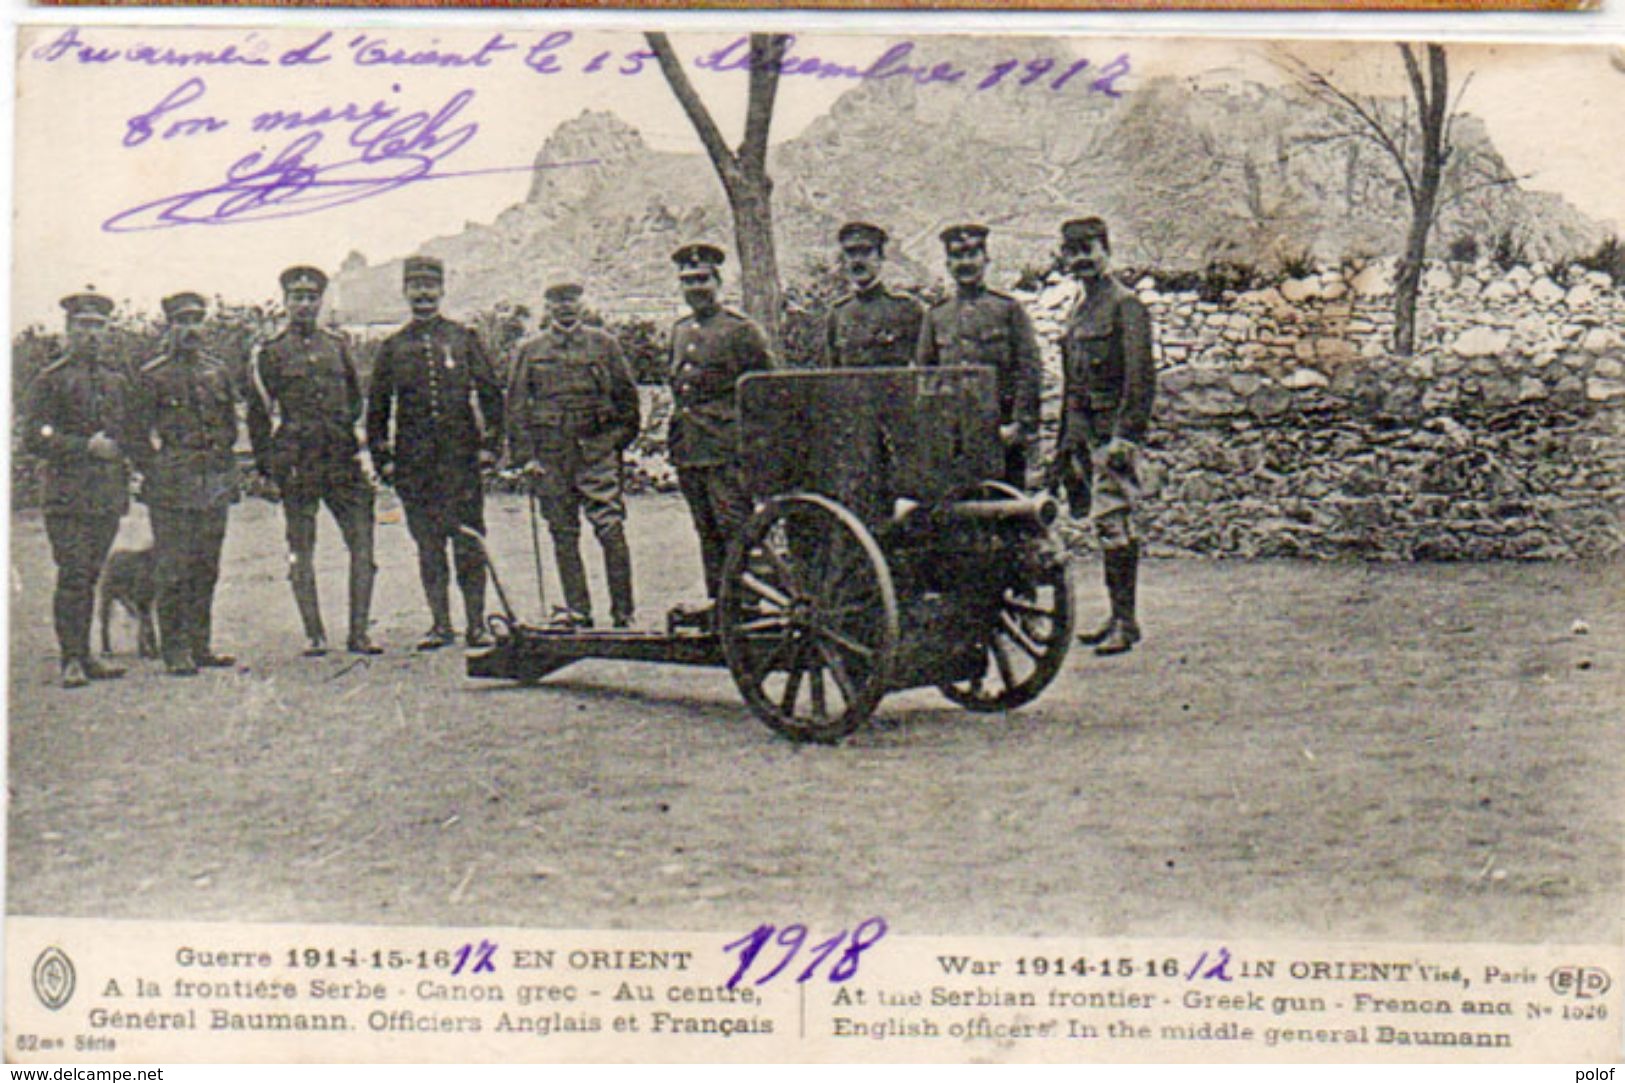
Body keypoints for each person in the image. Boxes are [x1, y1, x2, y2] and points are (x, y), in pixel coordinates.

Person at [366, 256, 505, 649]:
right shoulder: (393, 347)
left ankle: (476, 623)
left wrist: (491, 447)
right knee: (428, 544)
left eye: (430, 285)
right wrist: (385, 459)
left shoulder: (463, 338)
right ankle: (441, 624)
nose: (423, 294)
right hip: (415, 466)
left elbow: (491, 393)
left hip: (460, 462)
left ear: (442, 290)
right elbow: (377, 408)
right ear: (405, 292)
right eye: (416, 286)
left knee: (468, 541)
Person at [247, 266, 382, 656]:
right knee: (300, 550)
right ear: (286, 302)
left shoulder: (337, 346)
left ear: (320, 301)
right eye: (297, 298)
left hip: (341, 459)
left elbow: (355, 400)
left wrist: (345, 437)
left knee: (362, 546)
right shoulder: (270, 353)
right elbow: (259, 416)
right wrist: (268, 470)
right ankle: (315, 635)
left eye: (311, 298)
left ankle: (359, 633)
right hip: (298, 463)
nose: (304, 305)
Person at [1051, 217, 1156, 656]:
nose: (1081, 260)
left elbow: (1140, 377)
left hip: (1111, 435)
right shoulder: (1079, 309)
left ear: (1106, 251)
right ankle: (1117, 618)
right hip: (1084, 433)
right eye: (1073, 252)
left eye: (1088, 250)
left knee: (1114, 522)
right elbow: (1072, 385)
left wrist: (1126, 437)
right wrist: (1064, 444)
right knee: (1104, 523)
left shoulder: (1125, 305)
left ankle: (1125, 622)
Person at [508, 283, 640, 629]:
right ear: (547, 307)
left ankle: (623, 612)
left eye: (571, 300)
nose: (565, 307)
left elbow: (628, 402)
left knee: (610, 527)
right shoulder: (530, 350)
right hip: (551, 457)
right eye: (557, 301)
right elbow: (517, 407)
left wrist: (613, 444)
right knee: (563, 533)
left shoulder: (604, 345)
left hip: (595, 452)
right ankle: (579, 610)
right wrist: (527, 458)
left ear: (582, 304)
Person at [23, 289, 137, 688]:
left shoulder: (116, 380)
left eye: (98, 326)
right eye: (84, 326)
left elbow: (126, 432)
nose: (91, 334)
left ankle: (87, 654)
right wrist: (84, 446)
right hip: (67, 496)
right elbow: (34, 438)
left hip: (105, 494)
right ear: (69, 330)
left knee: (90, 573)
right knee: (72, 574)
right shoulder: (50, 380)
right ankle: (71, 658)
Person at [130, 292, 240, 676]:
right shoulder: (152, 375)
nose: (190, 329)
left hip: (212, 481)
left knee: (206, 567)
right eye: (182, 321)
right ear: (170, 327)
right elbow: (135, 434)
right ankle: (174, 649)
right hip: (172, 485)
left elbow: (228, 424)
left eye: (196, 321)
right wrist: (157, 469)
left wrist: (226, 472)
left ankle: (200, 645)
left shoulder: (216, 371)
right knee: (173, 568)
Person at [666, 243, 775, 621]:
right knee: (706, 528)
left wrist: (754, 446)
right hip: (690, 447)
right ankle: (721, 603)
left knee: (735, 526)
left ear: (718, 281)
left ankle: (746, 602)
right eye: (687, 281)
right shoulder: (680, 331)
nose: (695, 287)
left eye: (701, 279)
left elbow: (765, 392)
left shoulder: (741, 331)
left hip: (727, 447)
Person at [916, 223, 1042, 489]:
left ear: (985, 260)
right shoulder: (937, 316)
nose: (966, 263)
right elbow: (925, 374)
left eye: (972, 255)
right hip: (954, 436)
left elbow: (1029, 370)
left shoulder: (1008, 309)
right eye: (958, 256)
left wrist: (1019, 424)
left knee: (1008, 509)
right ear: (948, 264)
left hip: (1001, 431)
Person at [821, 221, 923, 369]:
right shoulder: (838, 313)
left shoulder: (907, 307)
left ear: (880, 257)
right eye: (851, 253)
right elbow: (834, 373)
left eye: (865, 252)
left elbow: (925, 368)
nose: (857, 260)